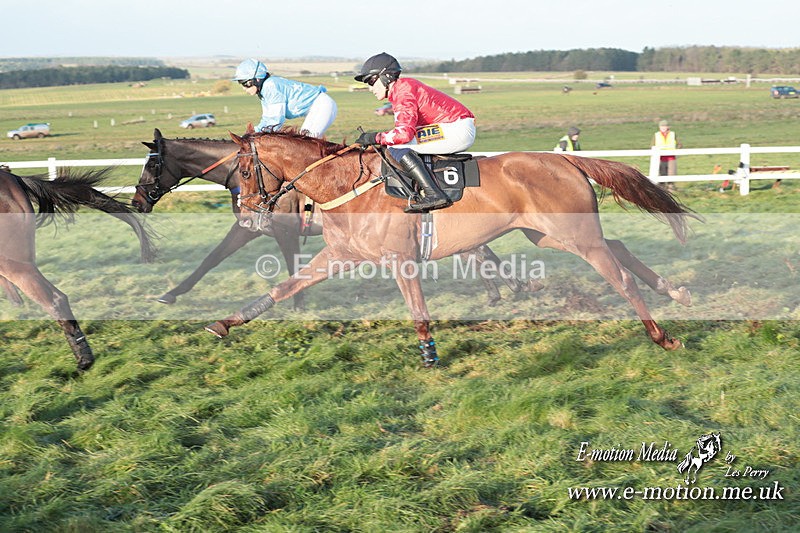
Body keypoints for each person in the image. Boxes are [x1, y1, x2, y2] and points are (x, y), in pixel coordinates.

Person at [353, 52, 476, 213]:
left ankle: (434, 194)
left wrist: (375, 137)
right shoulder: (402, 89)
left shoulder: (403, 91)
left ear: (386, 77)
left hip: (457, 128)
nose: (370, 88)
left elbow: (404, 135)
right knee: (393, 142)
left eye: (371, 81)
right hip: (454, 125)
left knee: (395, 147)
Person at [232, 58, 337, 138]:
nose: (244, 88)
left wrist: (253, 135)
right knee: (303, 143)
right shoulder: (264, 91)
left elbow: (276, 122)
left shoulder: (270, 86)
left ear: (257, 79)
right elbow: (267, 119)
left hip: (322, 106)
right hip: (316, 108)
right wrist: (252, 132)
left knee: (306, 145)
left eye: (245, 83)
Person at [652, 119, 682, 190]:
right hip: (661, 157)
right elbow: (653, 145)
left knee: (671, 173)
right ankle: (661, 188)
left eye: (664, 126)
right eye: (661, 126)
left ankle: (671, 187)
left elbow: (679, 144)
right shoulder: (656, 135)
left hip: (671, 157)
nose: (663, 128)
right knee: (662, 172)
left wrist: (676, 151)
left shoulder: (673, 134)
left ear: (668, 127)